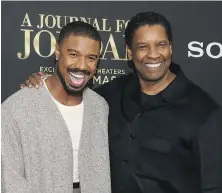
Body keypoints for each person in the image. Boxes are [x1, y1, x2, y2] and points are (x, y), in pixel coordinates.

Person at [20, 12, 222, 193]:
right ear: (129, 52)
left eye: (161, 45)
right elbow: (70, 96)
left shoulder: (204, 112)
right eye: (142, 46)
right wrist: (40, 84)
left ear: (170, 48)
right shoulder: (110, 95)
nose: (153, 54)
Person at [1, 21, 111, 193]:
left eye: (91, 58)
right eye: (73, 54)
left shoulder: (100, 107)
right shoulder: (15, 109)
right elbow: (10, 179)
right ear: (57, 52)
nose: (82, 66)